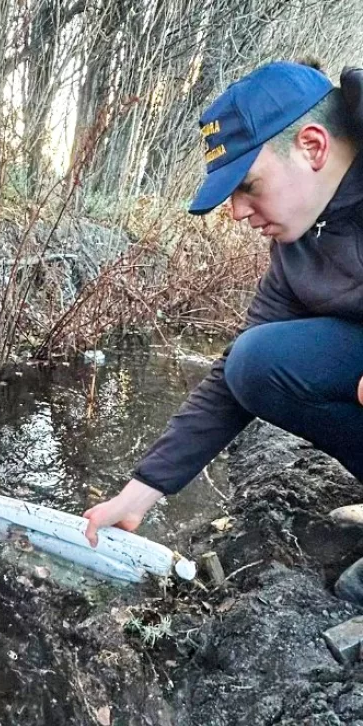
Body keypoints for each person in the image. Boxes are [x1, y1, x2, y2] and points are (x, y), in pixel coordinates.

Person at [83, 60, 363, 602]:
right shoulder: (297, 243)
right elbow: (235, 377)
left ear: (311, 147)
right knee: (254, 363)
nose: (237, 212)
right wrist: (143, 491)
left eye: (248, 185)